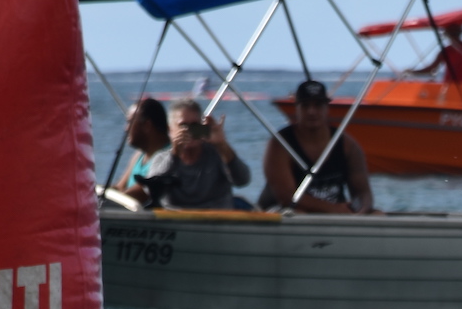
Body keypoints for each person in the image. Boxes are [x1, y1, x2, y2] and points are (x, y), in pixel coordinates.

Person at [258, 79, 375, 214]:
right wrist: (334, 209)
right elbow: (287, 197)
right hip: (285, 212)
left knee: (378, 216)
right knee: (297, 215)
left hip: (335, 213)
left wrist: (361, 209)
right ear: (297, 108)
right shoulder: (280, 144)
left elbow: (363, 193)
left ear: (327, 108)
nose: (311, 111)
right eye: (305, 106)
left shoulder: (348, 146)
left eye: (318, 105)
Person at [130, 98, 253, 211]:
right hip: (177, 221)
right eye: (183, 126)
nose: (189, 131)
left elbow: (242, 180)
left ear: (202, 127)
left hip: (216, 221)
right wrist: (175, 155)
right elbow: (150, 189)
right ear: (170, 130)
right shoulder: (161, 158)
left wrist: (222, 145)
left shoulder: (217, 154)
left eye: (194, 126)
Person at [109, 96, 170, 200]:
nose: (126, 128)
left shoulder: (170, 155)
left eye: (130, 122)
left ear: (147, 125)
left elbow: (142, 191)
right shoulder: (138, 155)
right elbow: (119, 187)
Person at [409, 21, 462, 86]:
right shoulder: (447, 51)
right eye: (453, 34)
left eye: (454, 34)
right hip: (451, 87)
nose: (454, 36)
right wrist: (412, 72)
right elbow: (431, 69)